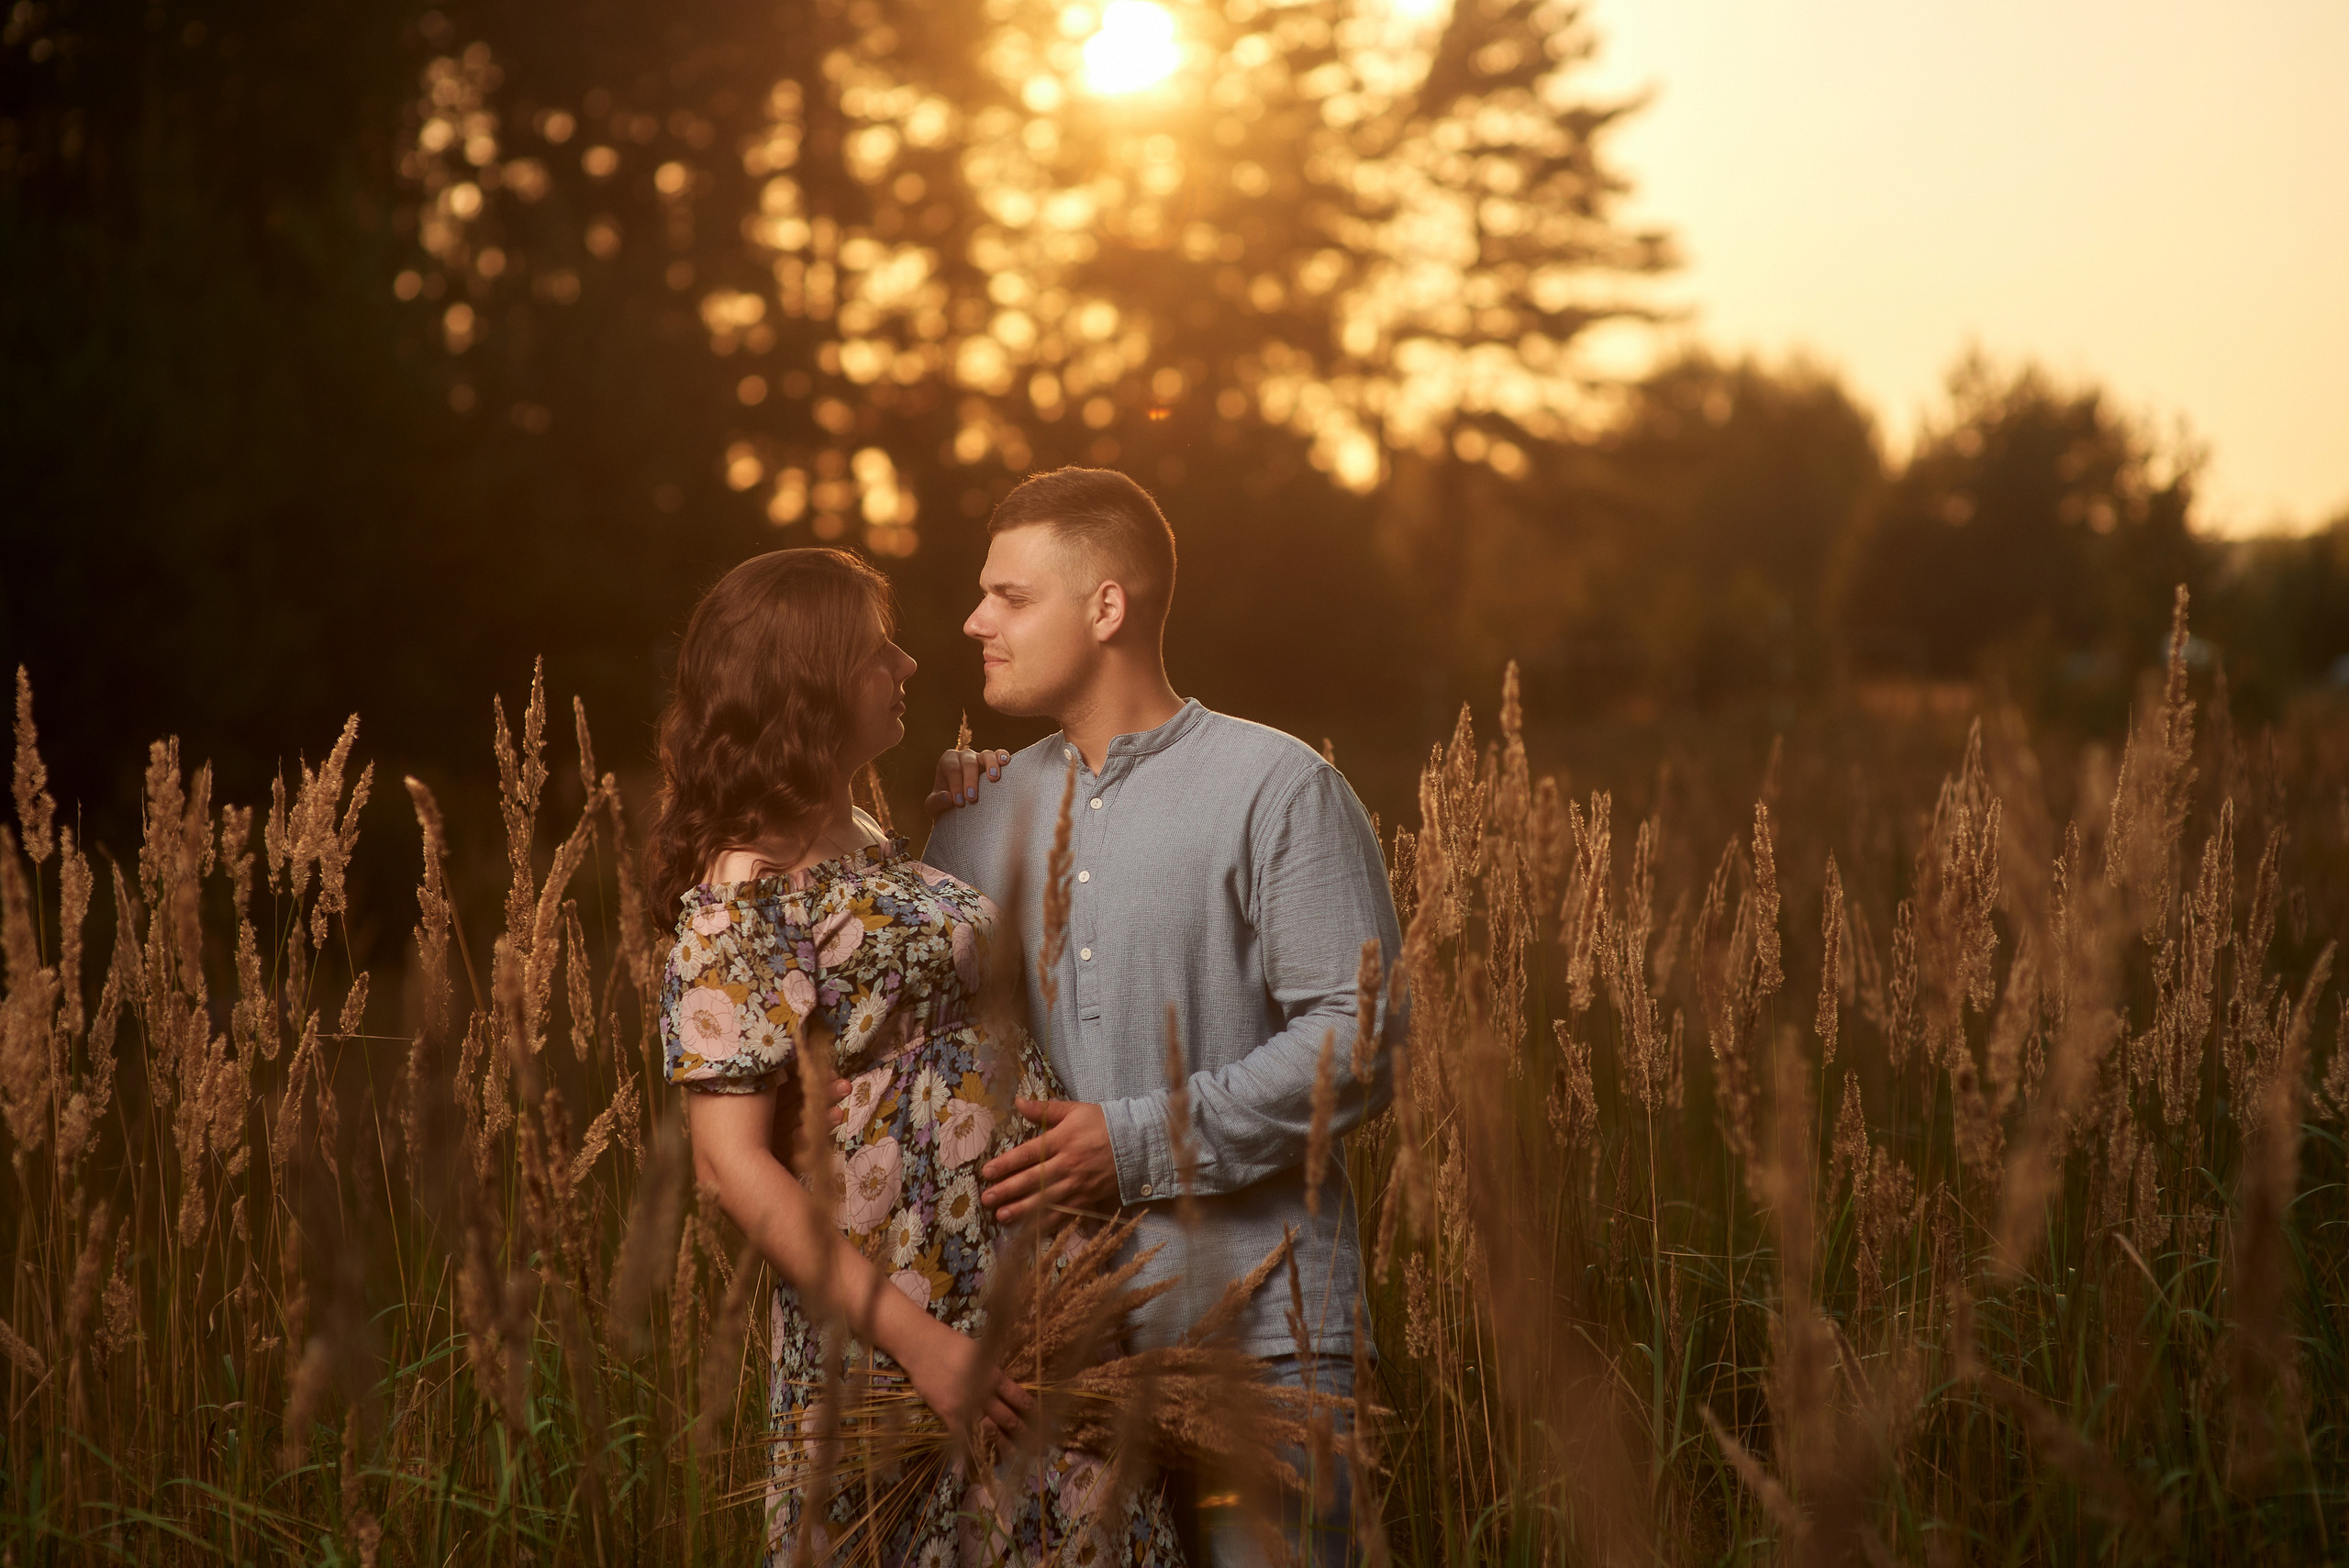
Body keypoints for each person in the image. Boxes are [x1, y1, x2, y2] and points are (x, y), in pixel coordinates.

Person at [648, 547, 1186, 1565]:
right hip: (905, 1299)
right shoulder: (739, 898)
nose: (905, 663)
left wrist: (957, 812)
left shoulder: (857, 831)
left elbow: (899, 988)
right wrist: (922, 1343)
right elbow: (728, 1164)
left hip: (1021, 1272)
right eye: (872, 650)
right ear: (807, 681)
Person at [923, 468, 1402, 1567]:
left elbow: (1359, 1039)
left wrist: (1132, 1140)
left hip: (1267, 1346)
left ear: (1106, 607)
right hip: (1056, 1362)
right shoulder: (970, 814)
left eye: (1009, 595)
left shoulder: (1278, 786)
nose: (974, 621)